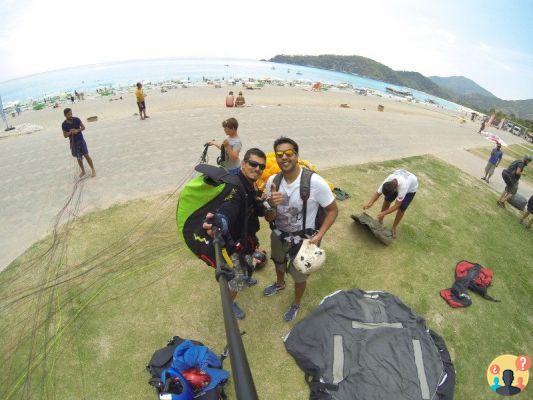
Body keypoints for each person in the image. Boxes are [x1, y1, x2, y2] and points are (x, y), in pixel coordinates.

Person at [262, 137, 338, 322]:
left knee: (299, 276)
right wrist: (270, 205)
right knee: (278, 262)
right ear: (276, 158)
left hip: (305, 240)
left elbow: (333, 210)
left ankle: (296, 303)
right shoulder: (273, 180)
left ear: (296, 156)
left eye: (289, 153)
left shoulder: (315, 182)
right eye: (279, 154)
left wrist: (320, 235)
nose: (284, 158)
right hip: (279, 234)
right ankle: (280, 284)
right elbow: (267, 216)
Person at [202, 148, 268, 319]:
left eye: (261, 166)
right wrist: (220, 221)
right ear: (244, 164)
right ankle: (230, 304)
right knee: (235, 280)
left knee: (249, 265)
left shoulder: (250, 184)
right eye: (253, 164)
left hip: (248, 238)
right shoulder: (235, 187)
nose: (257, 169)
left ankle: (246, 277)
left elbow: (253, 207)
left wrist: (262, 201)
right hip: (234, 245)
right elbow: (229, 208)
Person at [363, 169, 418, 238]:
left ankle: (394, 228)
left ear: (395, 190)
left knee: (402, 208)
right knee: (387, 200)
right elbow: (378, 193)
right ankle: (380, 221)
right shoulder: (388, 180)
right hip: (401, 177)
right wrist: (370, 203)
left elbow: (397, 205)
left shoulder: (404, 186)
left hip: (410, 189)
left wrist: (384, 212)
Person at [61, 108, 96, 177]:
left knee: (86, 155)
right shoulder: (64, 124)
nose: (71, 115)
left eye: (71, 113)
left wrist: (77, 130)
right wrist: (70, 132)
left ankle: (93, 170)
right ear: (65, 115)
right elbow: (65, 135)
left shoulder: (76, 119)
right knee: (78, 157)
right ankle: (83, 171)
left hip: (81, 141)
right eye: (69, 114)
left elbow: (83, 127)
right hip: (73, 143)